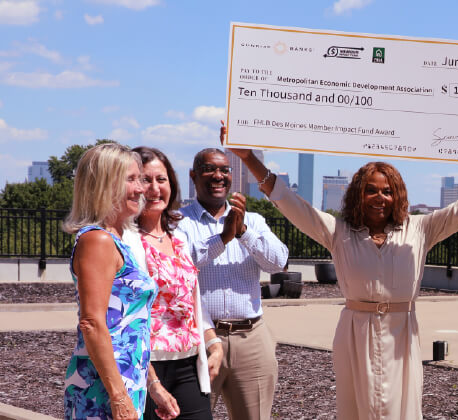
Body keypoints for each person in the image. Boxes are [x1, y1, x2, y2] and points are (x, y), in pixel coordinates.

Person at [223, 123, 458, 419]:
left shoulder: (420, 229)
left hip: (402, 333)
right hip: (355, 334)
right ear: (359, 194)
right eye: (371, 190)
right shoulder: (339, 232)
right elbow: (292, 204)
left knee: (402, 408)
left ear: (397, 196)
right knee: (357, 407)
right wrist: (249, 158)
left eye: (387, 191)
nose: (380, 198)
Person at [176, 147, 289, 419]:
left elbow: (278, 262)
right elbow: (179, 265)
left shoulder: (253, 221)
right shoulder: (178, 222)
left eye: (224, 170)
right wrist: (222, 239)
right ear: (193, 175)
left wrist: (243, 233)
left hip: (251, 337)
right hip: (197, 340)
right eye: (209, 169)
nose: (218, 176)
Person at [62, 143, 157, 420]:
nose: (141, 189)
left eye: (139, 179)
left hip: (122, 381)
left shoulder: (115, 240)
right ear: (104, 185)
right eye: (131, 179)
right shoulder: (98, 240)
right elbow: (92, 323)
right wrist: (118, 396)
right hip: (104, 388)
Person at [129, 146, 222, 420]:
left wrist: (213, 342)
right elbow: (123, 319)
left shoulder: (179, 238)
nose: (155, 188)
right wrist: (152, 381)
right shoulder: (125, 240)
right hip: (144, 368)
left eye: (162, 179)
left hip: (189, 366)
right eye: (146, 180)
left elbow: (190, 305)